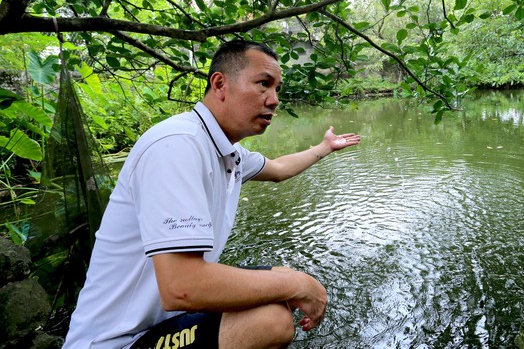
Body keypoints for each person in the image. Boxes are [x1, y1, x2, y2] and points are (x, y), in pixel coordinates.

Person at [63, 40, 361, 349]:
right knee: (272, 319)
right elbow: (183, 287)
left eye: (278, 89)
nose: (274, 100)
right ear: (220, 84)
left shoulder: (225, 150)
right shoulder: (177, 145)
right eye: (263, 84)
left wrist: (324, 148)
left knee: (280, 277)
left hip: (166, 321)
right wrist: (299, 285)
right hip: (118, 341)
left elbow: (278, 168)